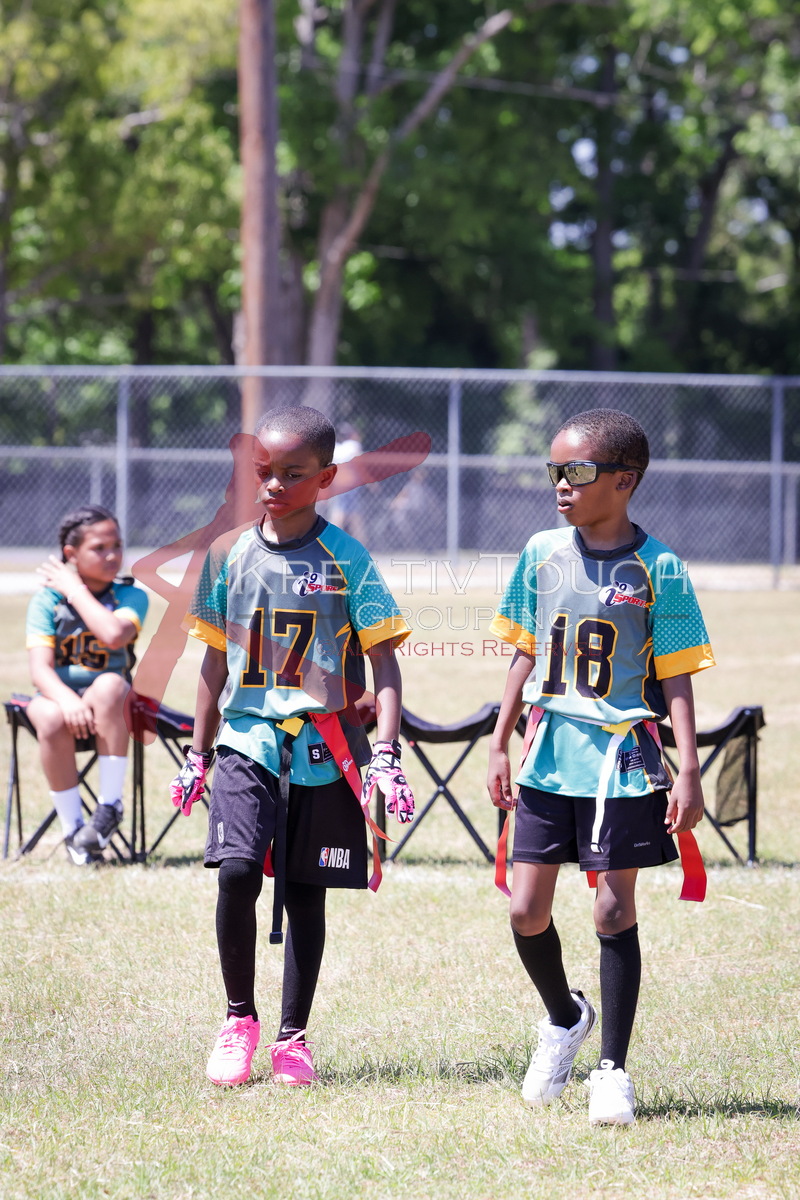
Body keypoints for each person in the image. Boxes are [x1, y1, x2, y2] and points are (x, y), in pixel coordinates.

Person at [170, 405, 415, 1088]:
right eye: (264, 472)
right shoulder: (227, 553)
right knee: (236, 872)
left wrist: (386, 753)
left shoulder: (347, 558)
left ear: (326, 478)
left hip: (323, 748)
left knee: (306, 892)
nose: (274, 484)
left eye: (292, 473)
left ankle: (293, 1038)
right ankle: (238, 1020)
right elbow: (212, 662)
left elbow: (385, 663)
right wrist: (197, 753)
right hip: (246, 740)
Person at [486, 409, 714, 1126]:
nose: (561, 484)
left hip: (621, 760)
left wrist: (687, 768)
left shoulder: (661, 567)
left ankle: (612, 1070)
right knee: (525, 910)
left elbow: (676, 675)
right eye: (555, 470)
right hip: (549, 754)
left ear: (625, 480)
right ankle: (565, 1017)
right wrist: (499, 741)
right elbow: (524, 651)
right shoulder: (540, 552)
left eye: (577, 472)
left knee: (613, 908)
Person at [25, 505, 149, 865]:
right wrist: (67, 701)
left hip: (110, 705)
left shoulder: (129, 595)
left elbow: (113, 635)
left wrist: (75, 589)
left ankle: (109, 807)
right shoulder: (47, 601)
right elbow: (40, 671)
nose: (112, 555)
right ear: (71, 554)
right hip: (57, 697)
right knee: (49, 715)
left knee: (110, 684)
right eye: (99, 548)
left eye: (117, 545)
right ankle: (75, 832)